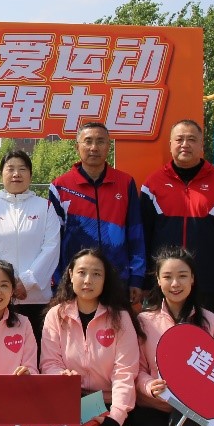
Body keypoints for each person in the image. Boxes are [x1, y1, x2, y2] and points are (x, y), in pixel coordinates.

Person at [133, 247, 214, 426]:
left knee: (193, 410)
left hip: (192, 409)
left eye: (183, 276)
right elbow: (135, 369)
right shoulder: (144, 321)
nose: (175, 284)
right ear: (158, 280)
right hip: (154, 408)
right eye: (168, 277)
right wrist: (149, 385)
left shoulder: (209, 321)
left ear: (192, 278)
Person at [40, 249, 142, 426]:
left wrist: (115, 417)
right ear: (70, 275)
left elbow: (125, 372)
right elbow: (49, 363)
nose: (88, 280)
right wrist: (61, 376)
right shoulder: (56, 315)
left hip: (109, 404)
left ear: (105, 279)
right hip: (71, 401)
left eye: (96, 274)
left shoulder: (120, 318)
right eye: (82, 272)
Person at [140, 119, 214, 316]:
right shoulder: (153, 183)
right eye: (179, 139)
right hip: (162, 283)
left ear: (201, 144)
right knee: (159, 334)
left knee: (202, 335)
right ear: (170, 144)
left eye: (192, 139)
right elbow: (142, 237)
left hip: (206, 283)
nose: (185, 144)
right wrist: (143, 281)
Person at [0, 149, 60, 345]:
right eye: (10, 168)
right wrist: (7, 284)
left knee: (37, 353)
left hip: (36, 298)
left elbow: (51, 248)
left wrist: (26, 282)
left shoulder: (45, 207)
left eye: (22, 169)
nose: (16, 174)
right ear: (1, 173)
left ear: (30, 174)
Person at [49, 122, 146, 301]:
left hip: (117, 279)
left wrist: (137, 277)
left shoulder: (125, 183)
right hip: (75, 281)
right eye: (88, 141)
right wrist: (56, 279)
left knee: (116, 321)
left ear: (108, 146)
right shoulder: (60, 186)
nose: (94, 147)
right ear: (77, 146)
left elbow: (136, 233)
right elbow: (53, 240)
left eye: (100, 141)